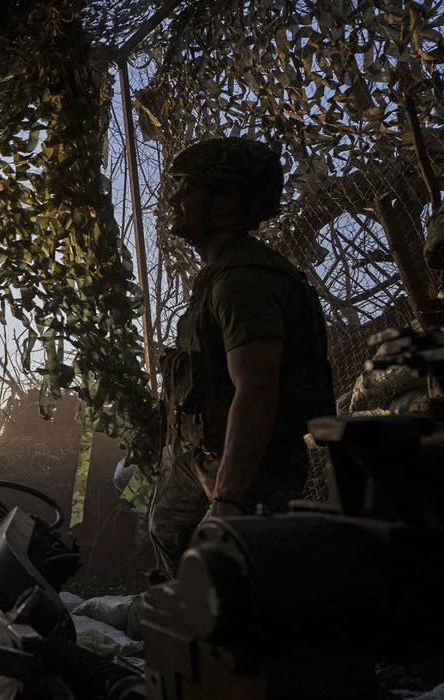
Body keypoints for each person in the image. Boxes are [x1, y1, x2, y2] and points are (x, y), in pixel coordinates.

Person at [150, 137, 334, 575]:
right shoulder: (219, 277)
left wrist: (229, 499)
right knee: (181, 562)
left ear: (226, 203)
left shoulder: (243, 281)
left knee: (236, 588)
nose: (175, 200)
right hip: (204, 459)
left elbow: (257, 385)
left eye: (187, 189)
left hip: (246, 474)